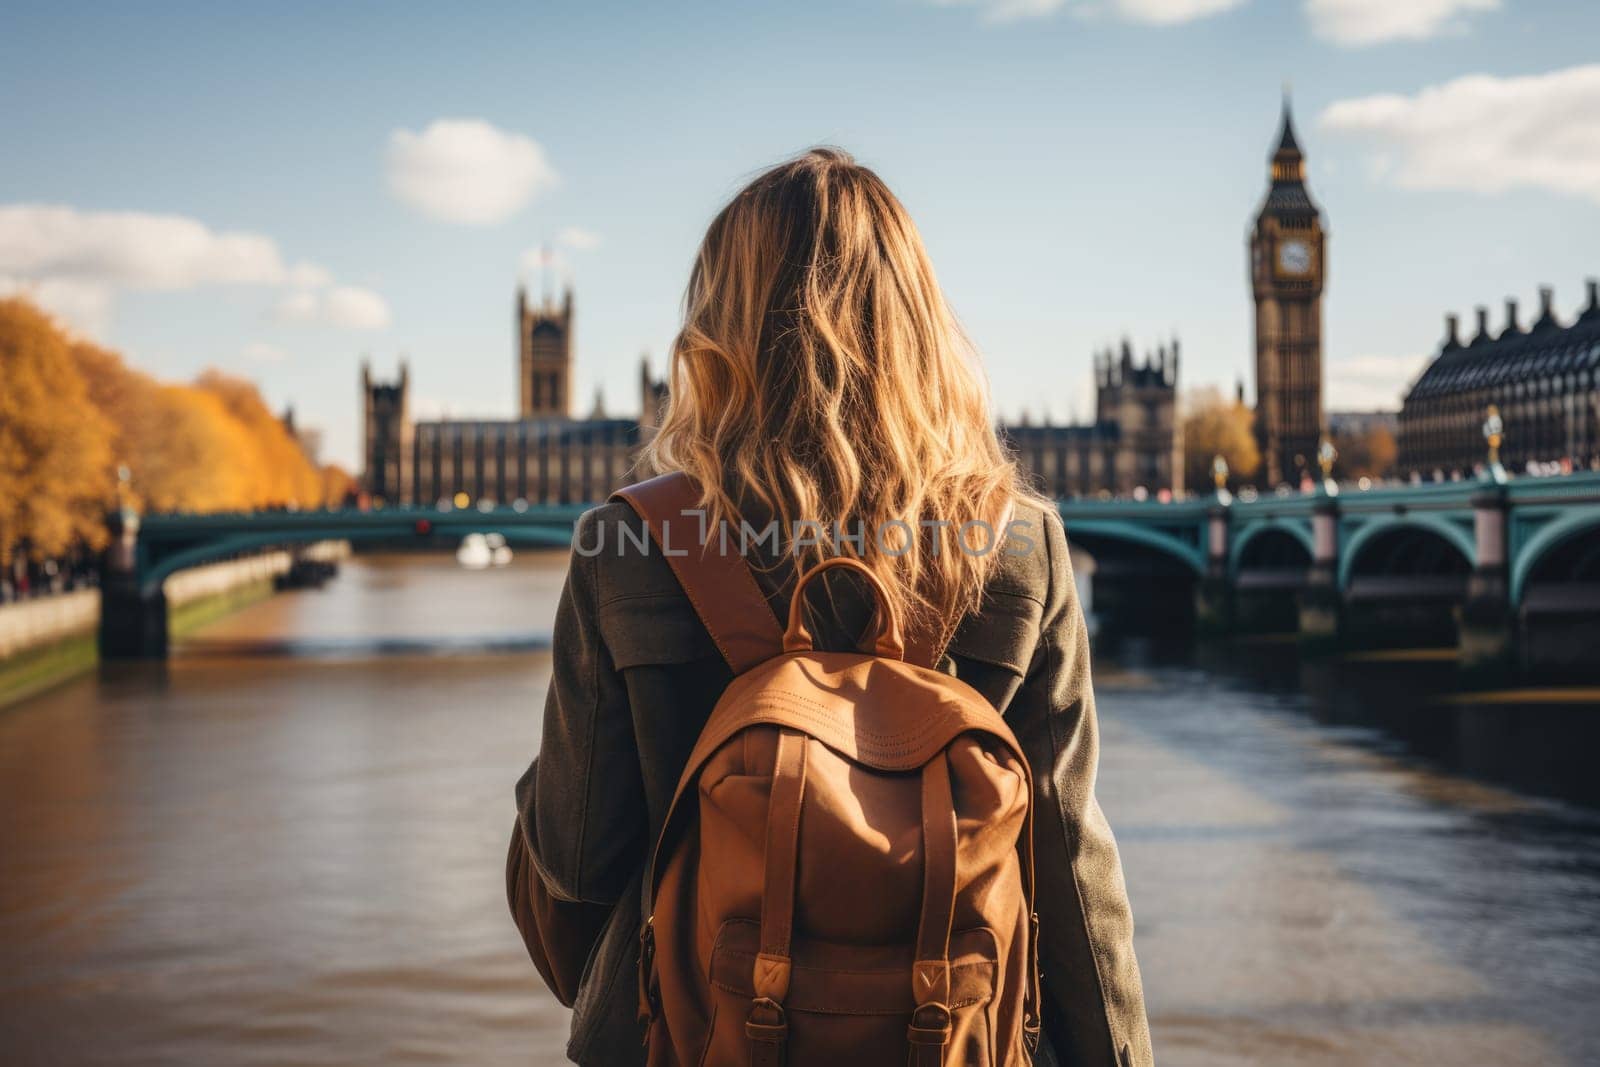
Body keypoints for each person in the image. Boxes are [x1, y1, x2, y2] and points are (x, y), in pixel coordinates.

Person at [508, 147, 1151, 1066]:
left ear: (715, 331)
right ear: (921, 329)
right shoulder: (1020, 546)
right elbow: (1073, 876)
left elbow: (569, 870)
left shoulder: (630, 546)